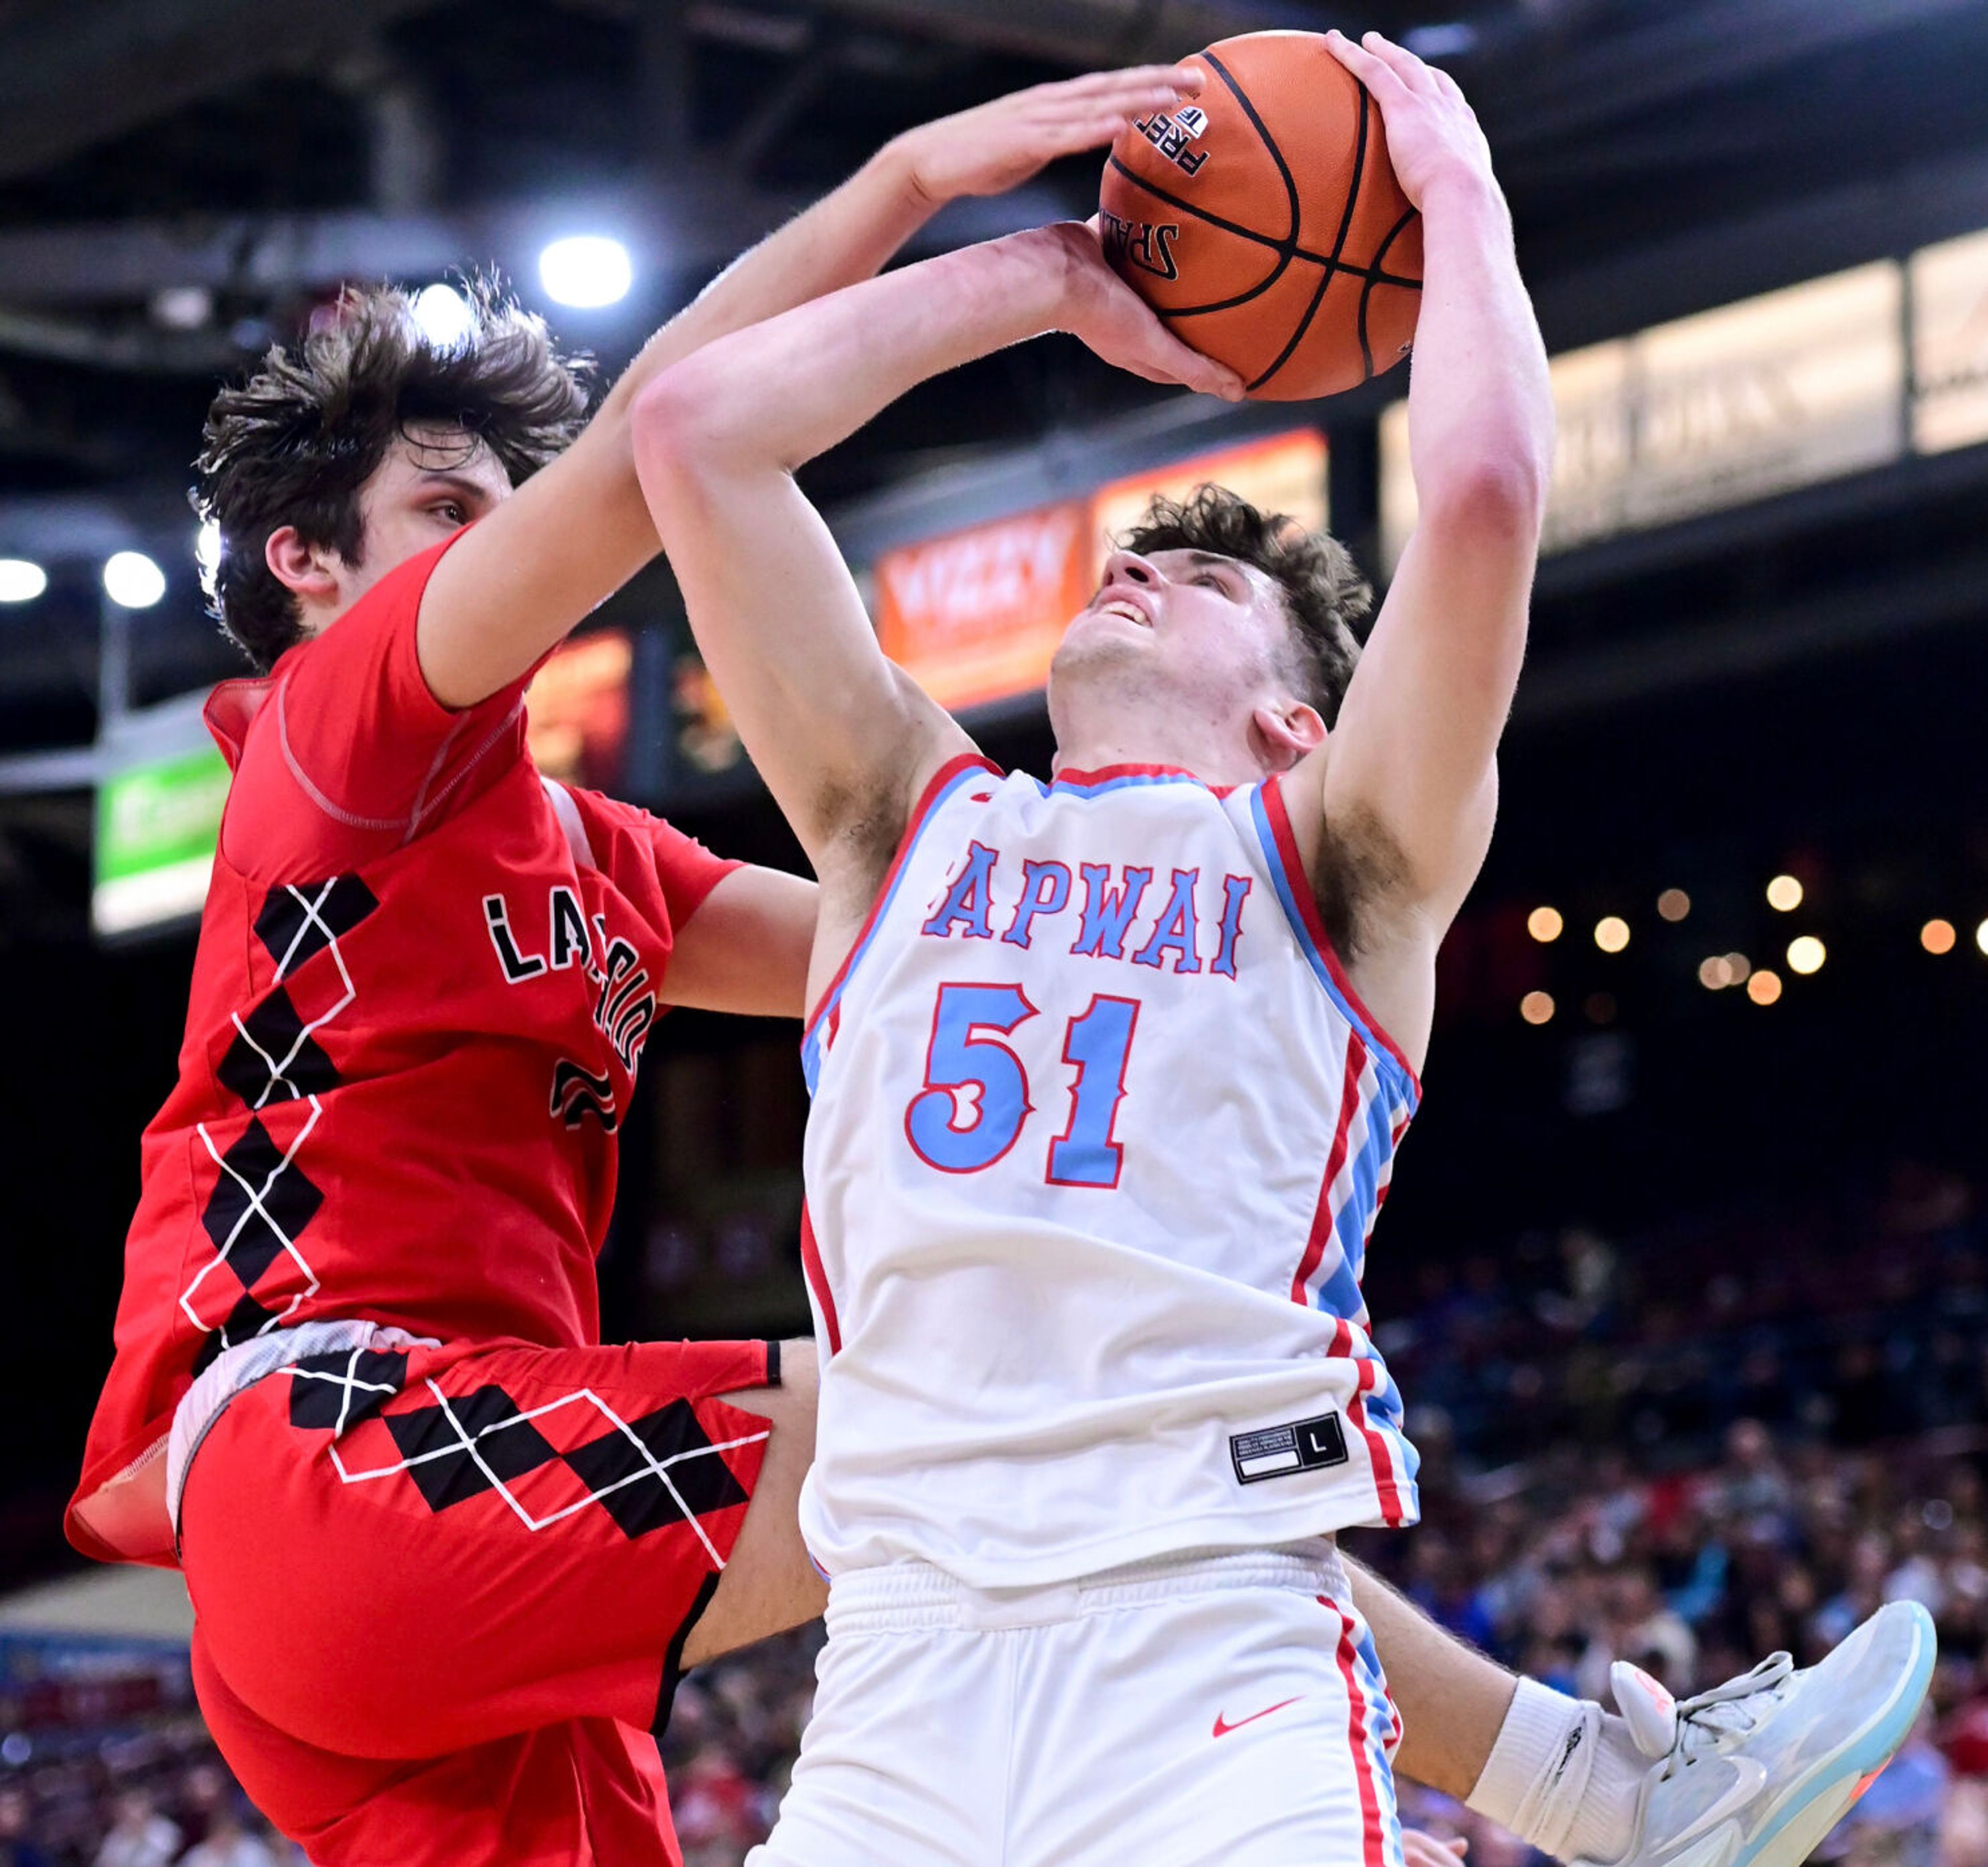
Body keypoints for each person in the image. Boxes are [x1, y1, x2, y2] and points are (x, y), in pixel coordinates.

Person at [628, 26, 1935, 1867]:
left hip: (1211, 1654)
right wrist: (1045, 275)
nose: (1141, 572)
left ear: (1298, 720)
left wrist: (1459, 190)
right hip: (896, 1678)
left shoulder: (1337, 857)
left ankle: (1617, 1799)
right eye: (1140, 560)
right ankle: (1621, 1796)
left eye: (1211, 581)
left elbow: (1479, 502)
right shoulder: (898, 813)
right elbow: (697, 436)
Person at [64, 66, 1231, 1867]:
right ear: (306, 566)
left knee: (1047, 1409)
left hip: (441, 1534)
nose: (506, 540)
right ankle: (1582, 1783)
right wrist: (953, 209)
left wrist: (1215, 853)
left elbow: (931, 933)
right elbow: (666, 430)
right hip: (339, 1444)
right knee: (1024, 1395)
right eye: (454, 507)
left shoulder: (605, 861)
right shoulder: (333, 736)